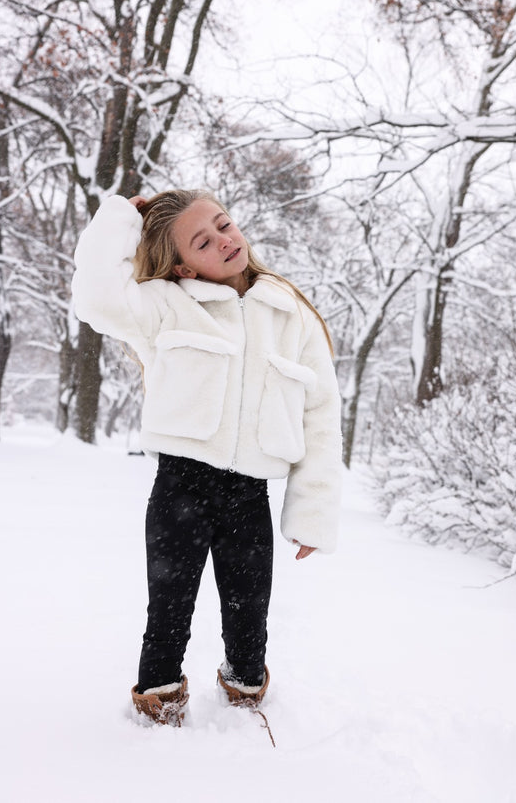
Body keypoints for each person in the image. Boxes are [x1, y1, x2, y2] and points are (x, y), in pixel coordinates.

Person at [71, 188, 342, 727]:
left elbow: (320, 415)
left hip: (250, 495)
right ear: (179, 263)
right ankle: (159, 702)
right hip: (181, 488)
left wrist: (312, 511)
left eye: (224, 225)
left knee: (250, 612)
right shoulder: (166, 306)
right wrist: (121, 217)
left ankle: (245, 695)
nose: (224, 240)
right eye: (203, 240)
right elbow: (96, 298)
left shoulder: (290, 314)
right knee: (168, 610)